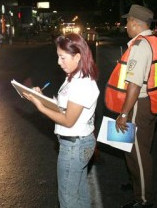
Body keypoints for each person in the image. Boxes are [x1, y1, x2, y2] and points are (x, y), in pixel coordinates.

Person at [23, 33, 100, 208]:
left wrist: (40, 107)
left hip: (74, 146)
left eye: (63, 57)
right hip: (80, 143)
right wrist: (41, 97)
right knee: (80, 193)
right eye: (58, 56)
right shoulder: (76, 76)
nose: (59, 62)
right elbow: (66, 108)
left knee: (68, 200)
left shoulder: (81, 83)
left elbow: (68, 120)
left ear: (78, 56)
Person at [105, 4, 157, 208]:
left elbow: (134, 83)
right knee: (132, 147)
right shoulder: (155, 41)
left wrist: (123, 113)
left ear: (135, 23)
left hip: (138, 104)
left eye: (127, 22)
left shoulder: (140, 47)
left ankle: (143, 199)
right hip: (150, 102)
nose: (125, 26)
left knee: (138, 152)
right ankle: (136, 184)